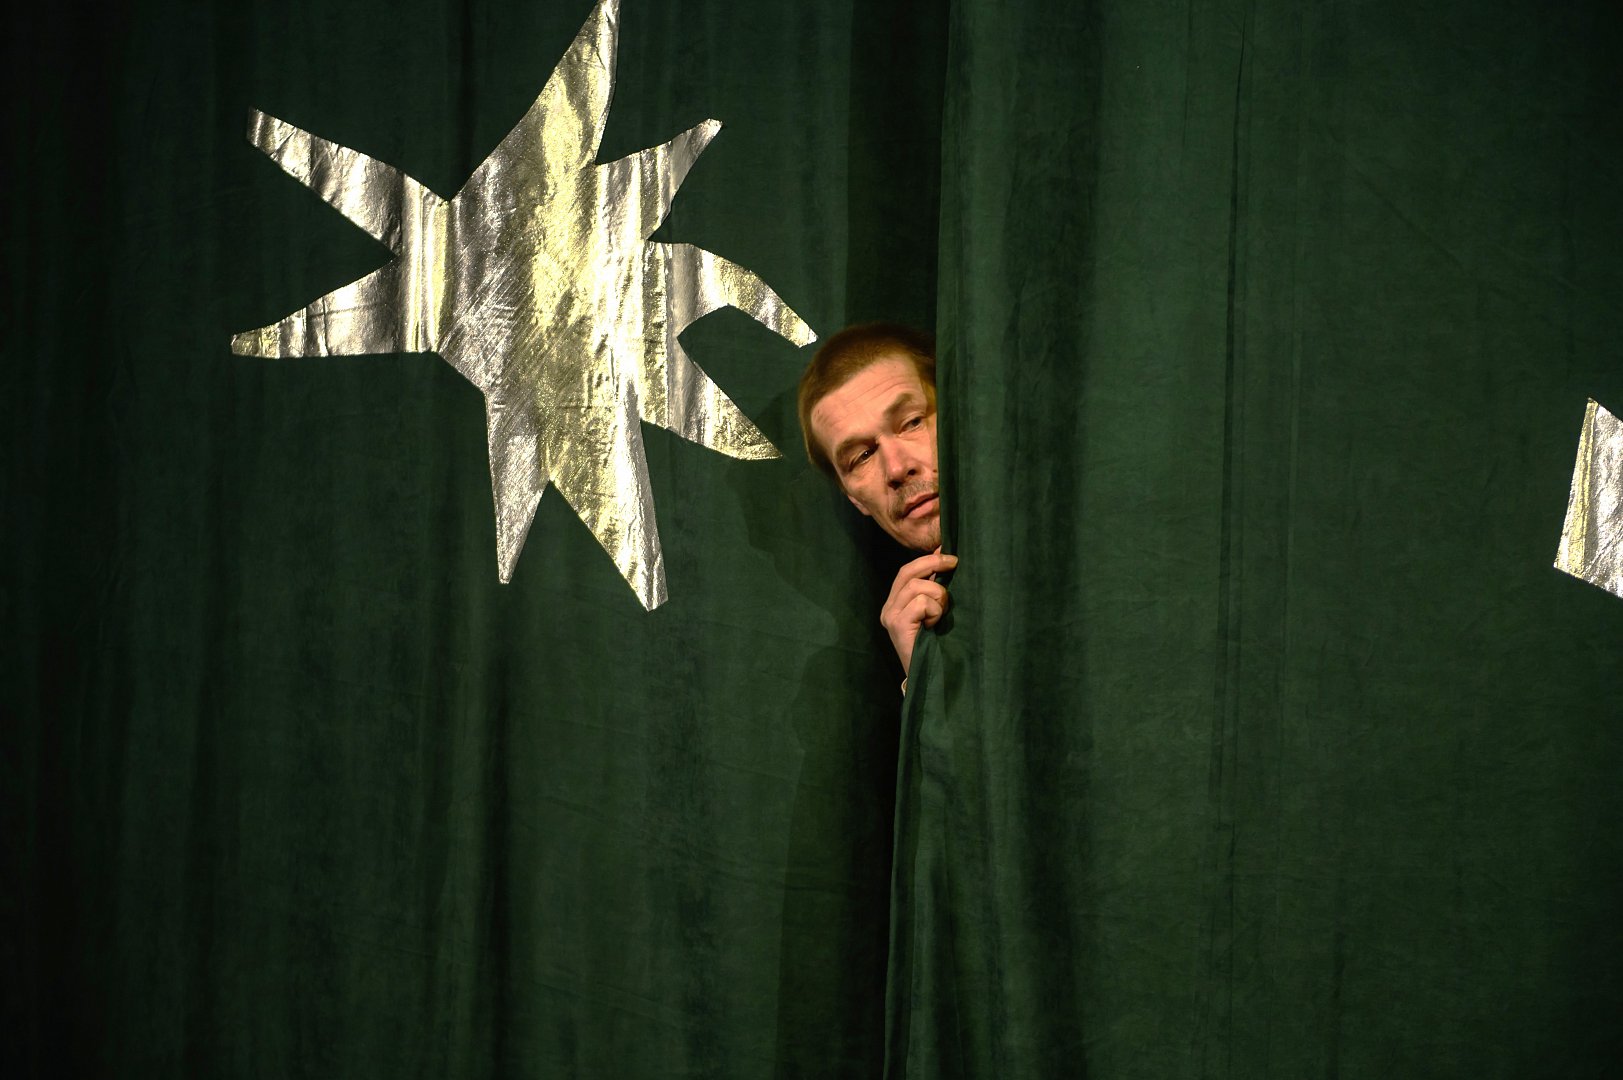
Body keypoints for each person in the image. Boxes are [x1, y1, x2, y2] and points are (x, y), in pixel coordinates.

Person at [797, 323, 959, 678]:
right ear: (854, 499)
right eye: (863, 456)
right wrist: (923, 678)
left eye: (912, 423)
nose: (897, 468)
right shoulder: (914, 631)